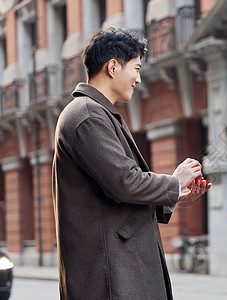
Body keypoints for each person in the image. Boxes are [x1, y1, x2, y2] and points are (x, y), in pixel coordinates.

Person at [52, 27, 210, 300]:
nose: (138, 78)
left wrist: (174, 195)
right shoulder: (87, 116)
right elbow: (124, 182)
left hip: (117, 269)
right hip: (110, 275)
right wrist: (175, 181)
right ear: (113, 67)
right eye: (136, 68)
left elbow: (119, 187)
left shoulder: (98, 113)